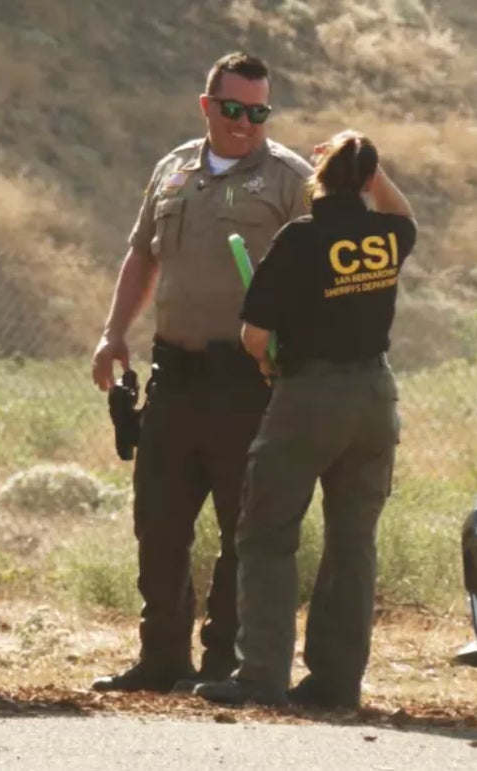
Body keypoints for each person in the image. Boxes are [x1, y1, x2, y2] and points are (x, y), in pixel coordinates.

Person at [89, 52, 312, 693]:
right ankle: (161, 657)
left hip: (247, 381)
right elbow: (140, 256)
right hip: (173, 374)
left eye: (259, 112)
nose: (246, 123)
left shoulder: (290, 179)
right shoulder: (173, 169)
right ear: (207, 105)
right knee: (158, 520)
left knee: (243, 527)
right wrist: (113, 334)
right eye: (233, 109)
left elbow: (316, 275)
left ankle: (225, 662)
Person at [196, 131, 416, 708]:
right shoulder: (388, 235)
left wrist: (270, 367)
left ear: (317, 180)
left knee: (267, 533)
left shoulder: (301, 239)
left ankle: (262, 675)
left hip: (309, 397)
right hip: (375, 397)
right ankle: (337, 682)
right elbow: (402, 211)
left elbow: (254, 336)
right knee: (353, 542)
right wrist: (371, 168)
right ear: (369, 181)